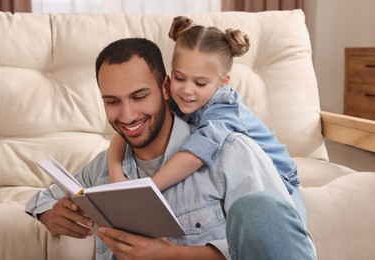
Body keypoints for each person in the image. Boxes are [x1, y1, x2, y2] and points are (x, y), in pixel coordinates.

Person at [26, 37, 316, 260]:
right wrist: (50, 215)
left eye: (139, 96)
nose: (127, 116)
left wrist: (172, 255)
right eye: (112, 102)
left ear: (166, 88)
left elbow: (272, 246)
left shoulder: (229, 150)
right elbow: (42, 198)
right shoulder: (103, 167)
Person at [108, 16, 307, 224]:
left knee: (290, 232)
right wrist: (116, 175)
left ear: (223, 82)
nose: (187, 90)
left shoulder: (224, 107)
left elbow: (195, 155)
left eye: (200, 83)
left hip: (279, 178)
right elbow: (127, 132)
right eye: (179, 78)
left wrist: (147, 189)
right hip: (226, 178)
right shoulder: (177, 99)